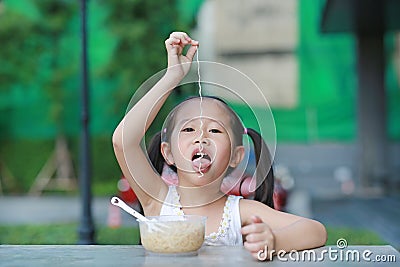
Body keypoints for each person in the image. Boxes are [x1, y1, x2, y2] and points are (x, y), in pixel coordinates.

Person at [112, 31, 327, 260]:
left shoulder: (241, 212)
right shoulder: (158, 200)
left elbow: (316, 231)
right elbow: (123, 141)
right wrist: (172, 77)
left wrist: (274, 241)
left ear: (236, 156)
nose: (201, 137)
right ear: (168, 153)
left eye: (215, 130)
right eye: (188, 129)